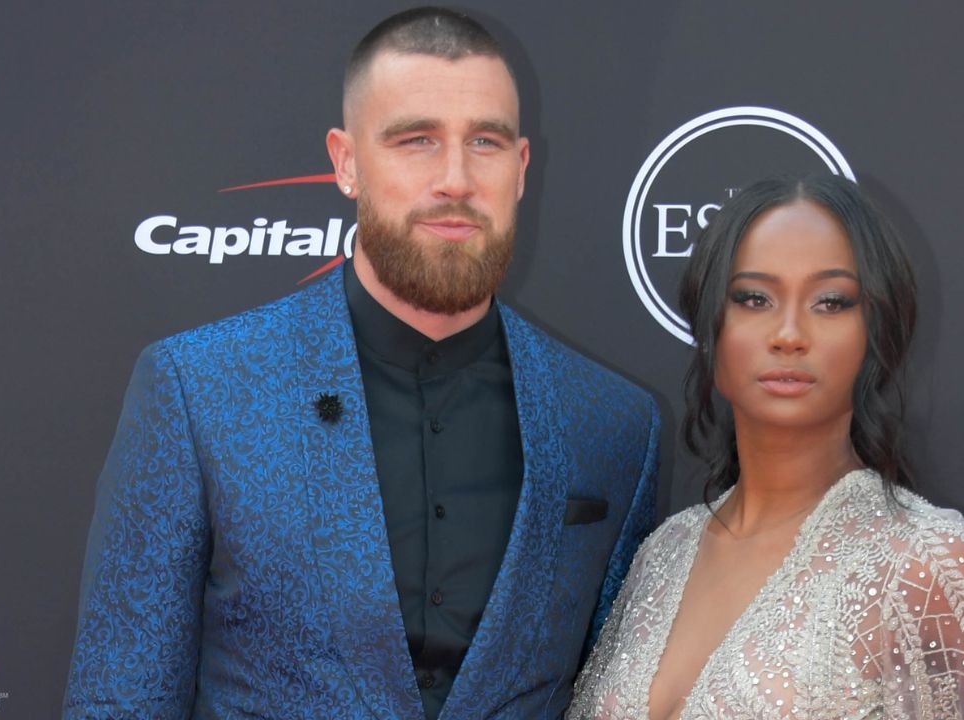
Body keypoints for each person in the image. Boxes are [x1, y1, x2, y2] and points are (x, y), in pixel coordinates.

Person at [64, 8, 659, 719]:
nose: (456, 179)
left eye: (486, 142)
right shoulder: (200, 391)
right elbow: (121, 700)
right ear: (345, 162)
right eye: (417, 141)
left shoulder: (613, 424)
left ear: (522, 166)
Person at [568, 174, 964, 719]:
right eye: (754, 298)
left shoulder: (931, 563)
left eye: (831, 302)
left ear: (876, 333)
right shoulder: (662, 554)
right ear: (710, 328)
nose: (789, 333)